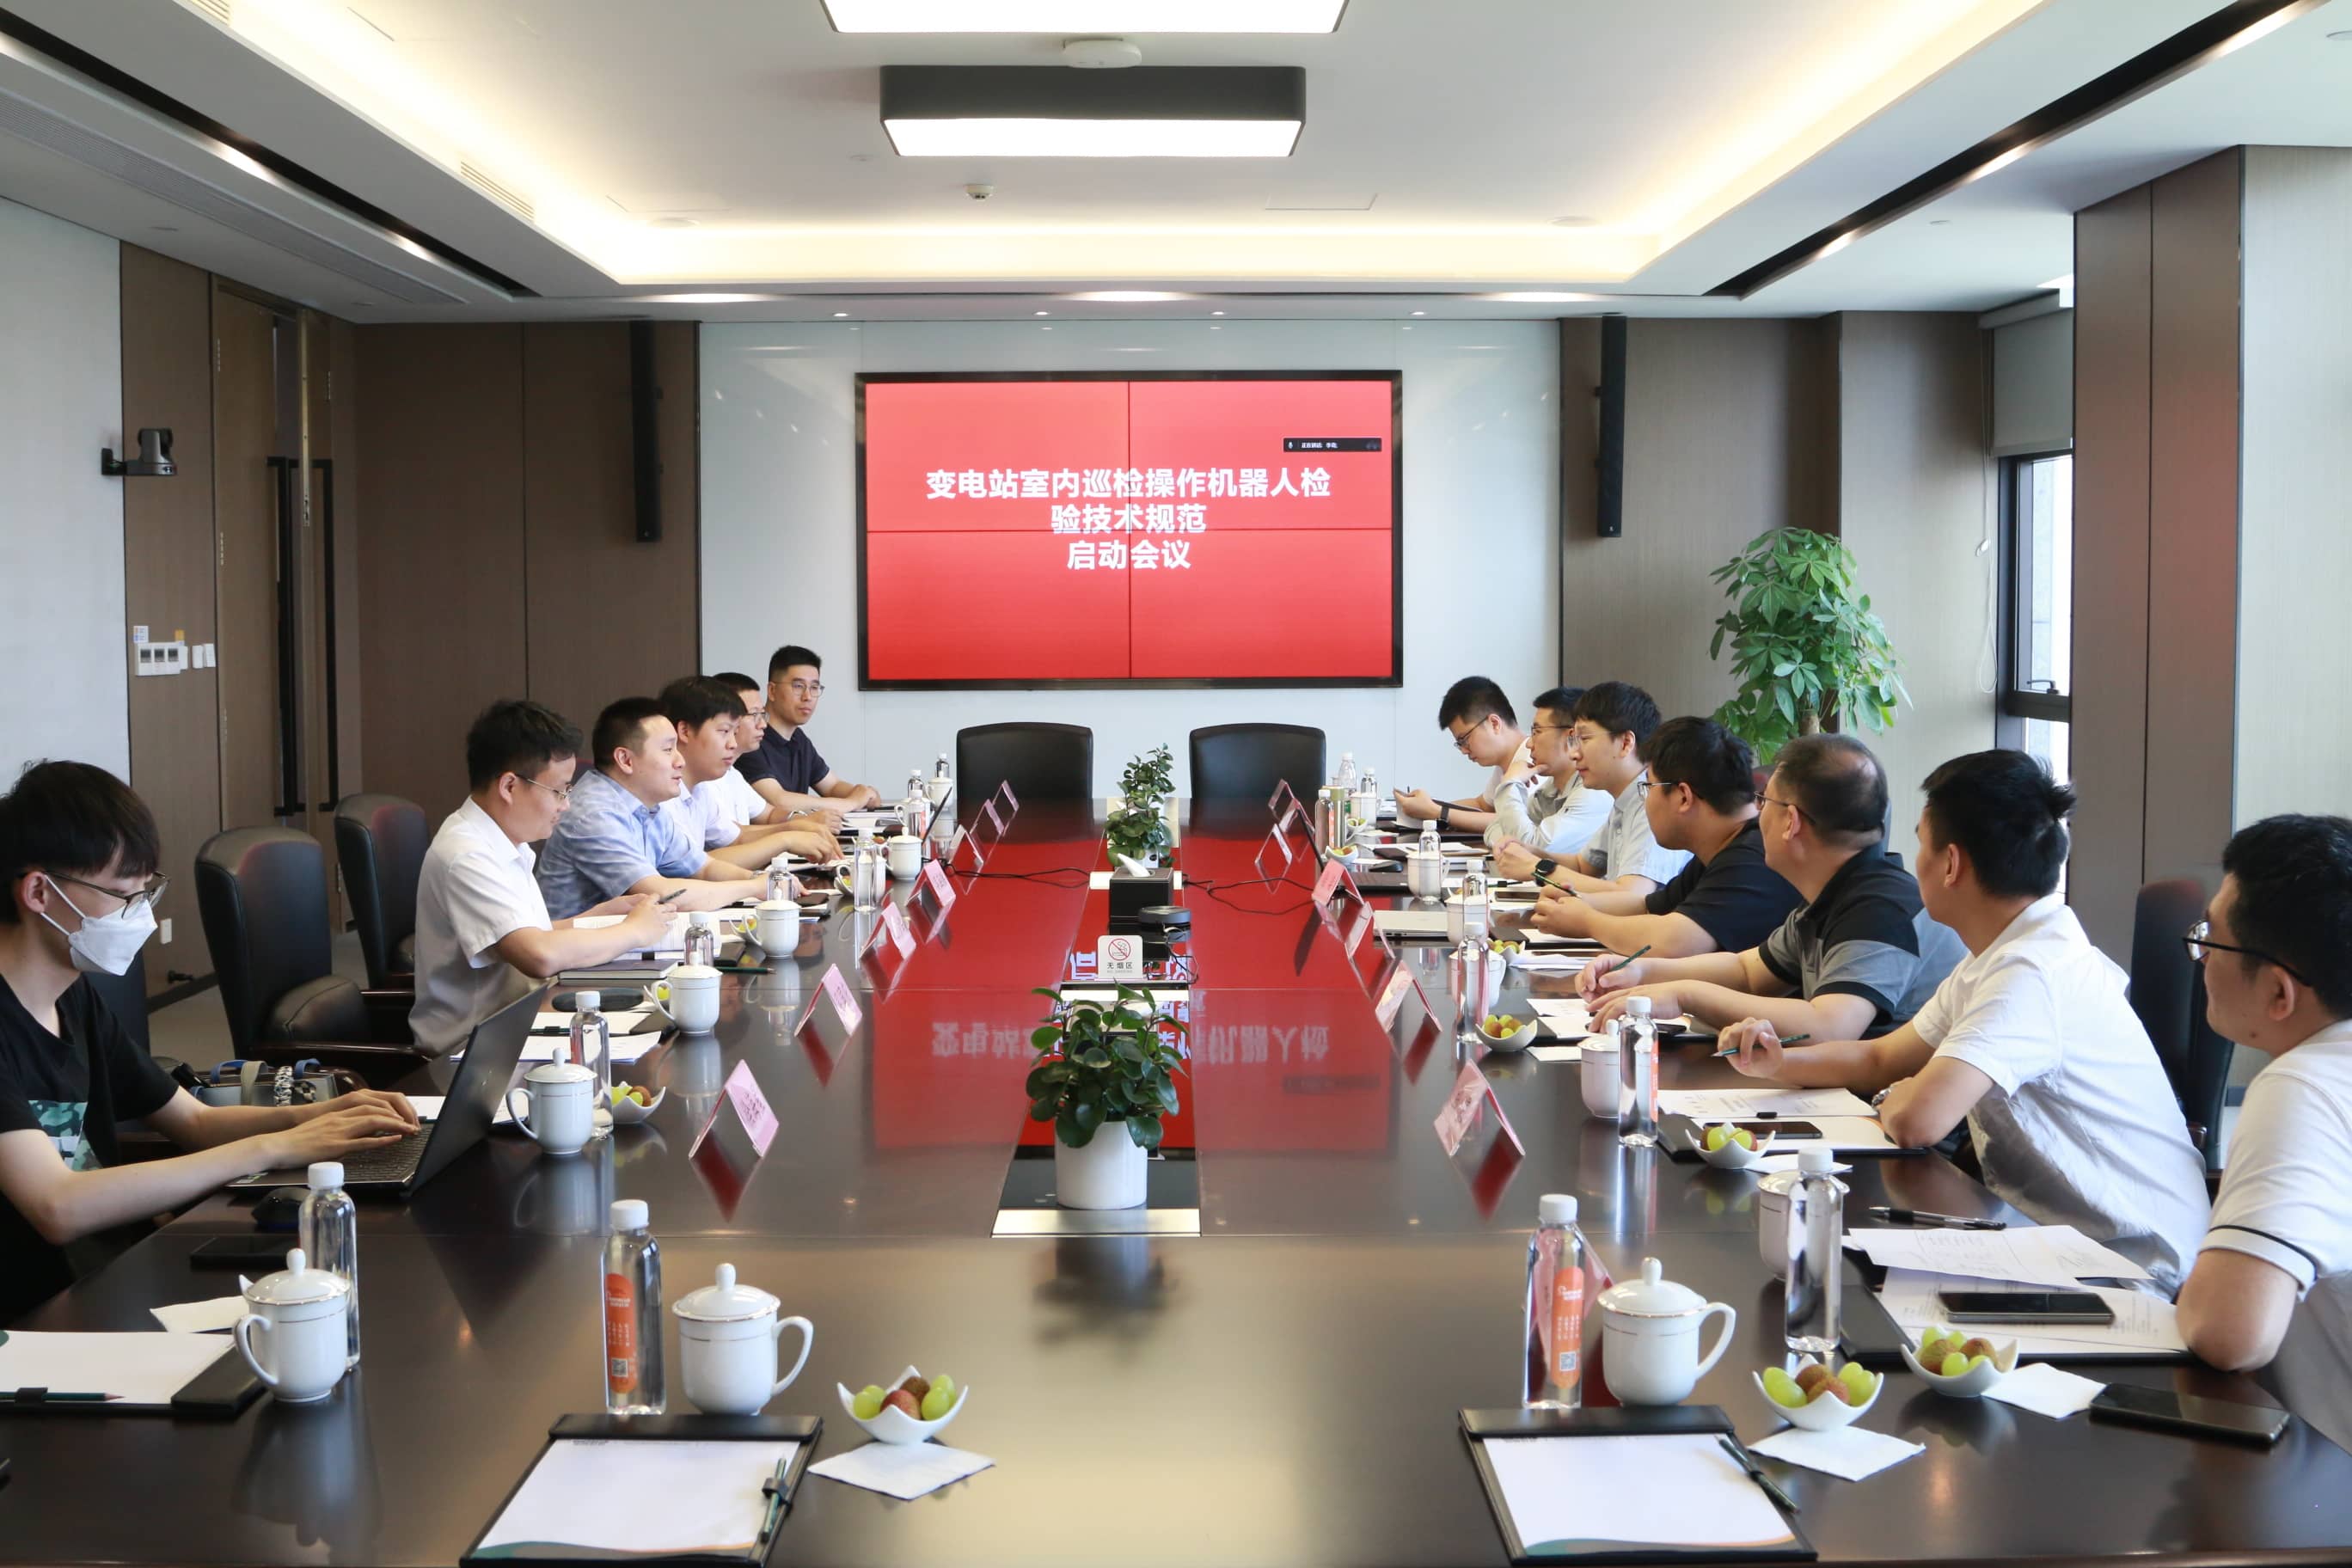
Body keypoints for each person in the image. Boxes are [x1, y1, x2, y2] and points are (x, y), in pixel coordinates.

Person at [1717, 750, 2209, 1290]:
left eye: (1921, 844)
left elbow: (1916, 1121)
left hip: (2130, 1271)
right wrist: (1778, 1062)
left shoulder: (2032, 972)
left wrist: (1898, 1095)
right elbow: (1880, 1057)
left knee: (1846, 1294)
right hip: (2053, 1241)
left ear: (1950, 865)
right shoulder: (1999, 953)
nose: (1914, 862)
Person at [0, 762, 420, 1323]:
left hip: (110, 1275)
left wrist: (323, 1117)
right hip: (34, 1323)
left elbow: (194, 1122)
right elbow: (56, 1206)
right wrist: (276, 1147)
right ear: (38, 892)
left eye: (145, 893)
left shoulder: (73, 997)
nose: (141, 918)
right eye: (122, 895)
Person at [1588, 735, 1966, 1040]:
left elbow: (1829, 1027)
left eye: (1764, 800)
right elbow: (1749, 970)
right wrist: (1640, 972)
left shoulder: (1881, 906)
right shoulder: (1834, 891)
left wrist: (1685, 994)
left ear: (1791, 821)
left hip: (1884, 1109)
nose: (1757, 813)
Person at [2176, 815, 2352, 1420]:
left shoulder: (2305, 1086)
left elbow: (2230, 1333)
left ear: (2280, 992)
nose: (2201, 958)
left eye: (2213, 941)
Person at [410, 701, 677, 1057]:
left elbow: (528, 933)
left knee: (660, 1030)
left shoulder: (503, 839)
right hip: (471, 1052)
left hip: (519, 1021)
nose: (565, 804)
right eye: (559, 791)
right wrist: (635, 931)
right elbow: (538, 955)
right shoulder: (467, 854)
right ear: (509, 786)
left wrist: (595, 917)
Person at [1529, 717, 1800, 958]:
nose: (1646, 799)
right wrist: (1576, 902)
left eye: (1648, 786)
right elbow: (1648, 907)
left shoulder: (1752, 857)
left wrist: (1588, 921)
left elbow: (1675, 940)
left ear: (1683, 797)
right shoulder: (1720, 848)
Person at [536, 697, 769, 919]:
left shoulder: (649, 806)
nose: (680, 761)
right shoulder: (595, 814)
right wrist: (755, 888)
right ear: (625, 760)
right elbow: (662, 894)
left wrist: (764, 881)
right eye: (668, 750)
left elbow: (705, 868)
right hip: (579, 944)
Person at [1496, 681, 1688, 895]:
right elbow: (1583, 865)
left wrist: (1537, 868)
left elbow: (1632, 896)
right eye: (1575, 740)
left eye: (1585, 739)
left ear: (1625, 743)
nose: (1573, 753)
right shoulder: (1624, 799)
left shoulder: (1653, 801)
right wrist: (1533, 853)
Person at [658, 677, 835, 868]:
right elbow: (698, 866)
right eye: (724, 731)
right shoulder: (661, 796)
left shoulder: (700, 789)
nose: (732, 744)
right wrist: (785, 839)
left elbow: (737, 837)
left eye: (734, 733)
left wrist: (793, 828)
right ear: (685, 731)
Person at [737, 646, 878, 819]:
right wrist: (852, 803)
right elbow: (779, 801)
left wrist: (863, 793)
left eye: (814, 687)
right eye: (798, 686)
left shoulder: (798, 739)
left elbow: (832, 786)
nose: (808, 696)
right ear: (772, 691)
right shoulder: (750, 739)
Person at [1485, 686, 1611, 868]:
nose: (1529, 743)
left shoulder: (1594, 793)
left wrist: (1510, 785)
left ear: (1571, 736)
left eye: (1537, 732)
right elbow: (1493, 829)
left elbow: (1533, 849)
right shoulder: (1550, 789)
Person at [1393, 676, 1533, 837]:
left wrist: (1437, 812)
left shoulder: (1534, 758)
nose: (1464, 750)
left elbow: (1511, 822)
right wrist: (1424, 809)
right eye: (1459, 744)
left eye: (1464, 740)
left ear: (1494, 723)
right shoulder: (1506, 762)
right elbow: (1482, 806)